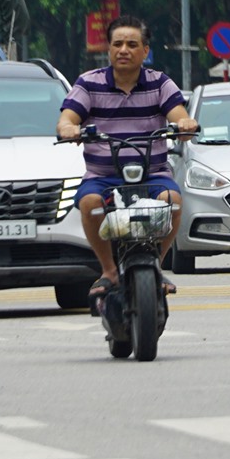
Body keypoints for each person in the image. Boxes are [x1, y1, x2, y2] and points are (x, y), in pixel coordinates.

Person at [56, 16, 199, 307]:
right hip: (102, 177)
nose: (124, 50)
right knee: (89, 204)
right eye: (117, 44)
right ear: (108, 49)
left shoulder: (160, 83)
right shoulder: (88, 83)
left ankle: (156, 265)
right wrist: (69, 128)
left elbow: (179, 116)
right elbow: (67, 119)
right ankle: (108, 270)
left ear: (145, 51)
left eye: (132, 44)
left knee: (172, 199)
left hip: (153, 174)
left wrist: (185, 124)